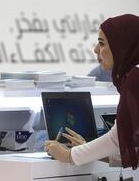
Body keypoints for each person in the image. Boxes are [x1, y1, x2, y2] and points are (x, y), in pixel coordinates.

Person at [45, 14, 139, 169]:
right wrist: (85, 148)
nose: (96, 50)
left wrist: (69, 155)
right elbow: (133, 152)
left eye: (102, 44)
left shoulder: (135, 77)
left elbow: (115, 140)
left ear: (121, 46)